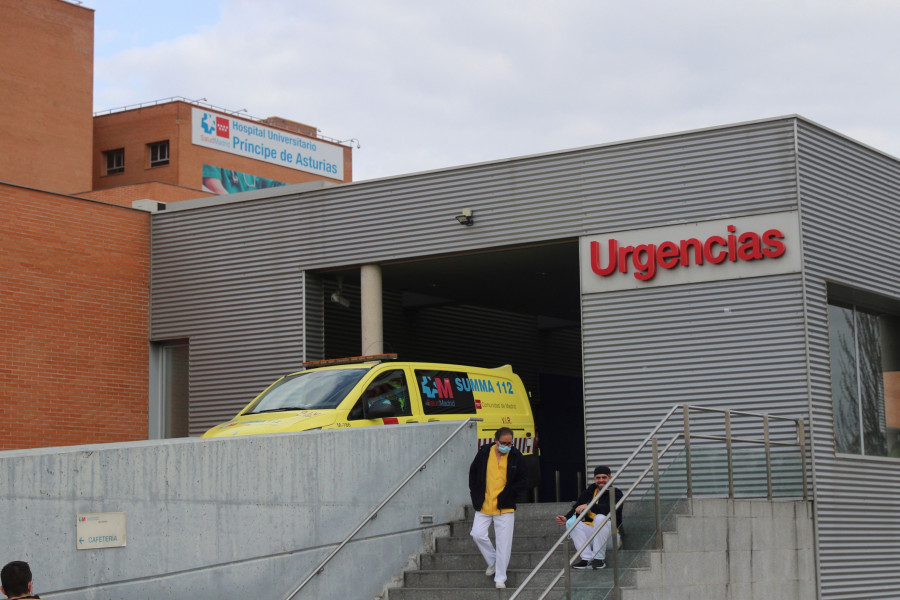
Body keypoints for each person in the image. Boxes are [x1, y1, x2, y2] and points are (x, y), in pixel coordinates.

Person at [468, 426, 529, 589]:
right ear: (496, 441)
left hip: (505, 506)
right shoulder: (483, 453)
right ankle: (494, 561)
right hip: (484, 504)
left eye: (510, 443)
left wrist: (511, 494)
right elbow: (473, 473)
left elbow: (523, 479)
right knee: (477, 534)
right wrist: (475, 494)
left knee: (504, 543)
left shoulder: (516, 456)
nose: (507, 446)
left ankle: (500, 578)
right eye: (504, 443)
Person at [555, 465, 624, 570]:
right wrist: (566, 518)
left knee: (600, 518)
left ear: (610, 478)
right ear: (594, 479)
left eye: (604, 477)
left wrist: (589, 506)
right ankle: (586, 559)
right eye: (598, 478)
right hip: (593, 536)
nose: (601, 480)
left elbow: (608, 509)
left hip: (612, 537)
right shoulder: (590, 492)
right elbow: (577, 506)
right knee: (571, 523)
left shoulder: (616, 493)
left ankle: (599, 560)